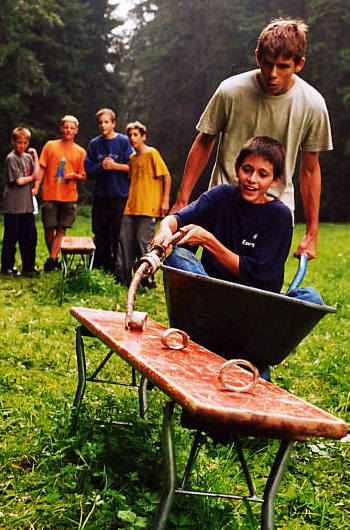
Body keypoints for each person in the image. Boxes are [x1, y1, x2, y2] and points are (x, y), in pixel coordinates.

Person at [154, 136, 322, 381]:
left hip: (255, 309)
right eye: (247, 170)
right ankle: (218, 341)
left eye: (262, 174)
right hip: (212, 300)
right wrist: (163, 231)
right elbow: (177, 218)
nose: (252, 180)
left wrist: (209, 241)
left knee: (311, 298)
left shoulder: (279, 216)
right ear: (237, 169)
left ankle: (250, 351)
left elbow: (260, 277)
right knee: (178, 255)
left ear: (275, 181)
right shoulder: (221, 196)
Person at [171, 18, 332, 261]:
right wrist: (182, 200)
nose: (273, 74)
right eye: (267, 64)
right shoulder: (230, 91)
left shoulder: (313, 104)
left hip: (274, 208)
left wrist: (312, 232)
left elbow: (309, 169)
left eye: (283, 66)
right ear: (257, 56)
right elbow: (204, 142)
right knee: (209, 275)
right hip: (225, 201)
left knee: (258, 283)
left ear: (299, 64)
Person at [117, 121, 171, 287]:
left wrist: (165, 200)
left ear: (143, 136)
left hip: (148, 207)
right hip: (131, 206)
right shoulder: (132, 158)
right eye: (130, 135)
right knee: (124, 241)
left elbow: (166, 176)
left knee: (143, 243)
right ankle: (123, 278)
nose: (132, 138)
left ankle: (147, 279)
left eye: (136, 135)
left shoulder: (151, 153)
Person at [84, 108, 133, 273]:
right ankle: (100, 267)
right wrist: (101, 166)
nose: (103, 126)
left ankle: (117, 268)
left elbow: (133, 168)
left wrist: (115, 166)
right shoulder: (94, 144)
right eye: (100, 122)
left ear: (113, 123)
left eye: (106, 122)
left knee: (118, 233)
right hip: (101, 196)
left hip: (120, 195)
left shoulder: (124, 142)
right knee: (100, 232)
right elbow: (88, 170)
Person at [37, 115, 86, 272]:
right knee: (48, 227)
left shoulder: (80, 152)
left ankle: (52, 259)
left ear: (76, 130)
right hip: (50, 193)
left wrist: (74, 176)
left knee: (62, 228)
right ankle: (54, 257)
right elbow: (41, 167)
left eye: (72, 128)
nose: (68, 130)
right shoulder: (50, 146)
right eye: (66, 127)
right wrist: (36, 186)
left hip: (68, 195)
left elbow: (84, 175)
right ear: (61, 128)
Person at [1, 127, 40, 277]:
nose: (21, 146)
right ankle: (7, 266)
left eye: (24, 143)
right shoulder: (11, 158)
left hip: (26, 206)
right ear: (13, 142)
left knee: (30, 236)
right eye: (18, 143)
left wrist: (35, 157)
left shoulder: (28, 157)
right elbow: (19, 181)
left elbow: (37, 174)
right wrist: (32, 178)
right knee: (11, 237)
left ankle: (29, 266)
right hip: (13, 206)